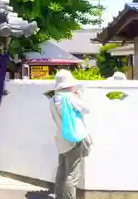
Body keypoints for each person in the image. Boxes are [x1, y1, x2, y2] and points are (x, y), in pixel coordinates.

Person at [50, 69, 91, 199]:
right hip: (73, 138)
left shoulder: (53, 99)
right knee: (72, 174)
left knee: (62, 168)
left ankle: (59, 195)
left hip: (61, 138)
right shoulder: (70, 98)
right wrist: (79, 96)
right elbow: (87, 109)